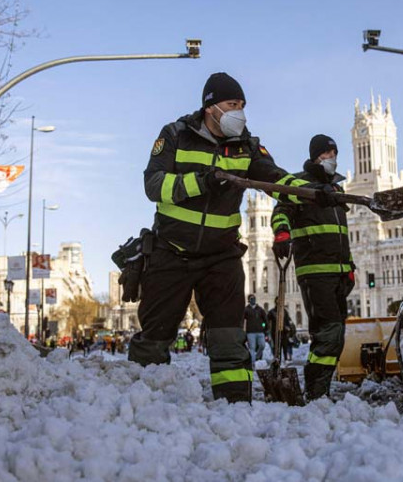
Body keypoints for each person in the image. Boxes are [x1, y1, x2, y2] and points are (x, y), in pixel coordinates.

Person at [128, 73, 337, 403]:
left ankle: (235, 405)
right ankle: (139, 403)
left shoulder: (247, 147)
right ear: (210, 107)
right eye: (231, 105)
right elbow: (153, 185)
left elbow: (276, 179)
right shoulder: (175, 135)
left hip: (221, 256)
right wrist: (203, 181)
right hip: (172, 251)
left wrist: (314, 193)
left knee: (229, 337)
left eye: (241, 105)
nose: (238, 112)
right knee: (155, 335)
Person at [271, 134, 355, 400]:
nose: (332, 159)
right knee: (328, 333)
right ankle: (317, 392)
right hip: (315, 271)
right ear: (316, 156)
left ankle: (321, 389)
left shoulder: (337, 190)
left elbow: (340, 233)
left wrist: (348, 265)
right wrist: (282, 233)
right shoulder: (300, 185)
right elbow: (280, 210)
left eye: (334, 154)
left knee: (337, 334)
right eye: (327, 154)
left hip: (339, 271)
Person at [244, 294, 267, 363]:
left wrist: (263, 326)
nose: (253, 300)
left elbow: (265, 320)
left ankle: (257, 357)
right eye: (251, 298)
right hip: (250, 332)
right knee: (252, 348)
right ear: (249, 300)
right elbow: (243, 320)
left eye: (254, 298)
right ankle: (253, 364)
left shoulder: (260, 309)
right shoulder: (246, 309)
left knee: (262, 345)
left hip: (260, 332)